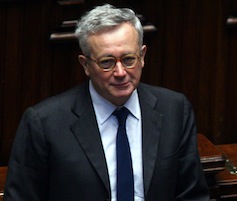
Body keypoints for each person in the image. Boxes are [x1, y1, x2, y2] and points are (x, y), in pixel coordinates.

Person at [4, 4, 209, 201]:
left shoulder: (174, 109)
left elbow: (192, 195)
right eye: (107, 62)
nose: (120, 73)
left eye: (128, 59)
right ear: (85, 65)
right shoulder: (44, 123)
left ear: (142, 56)